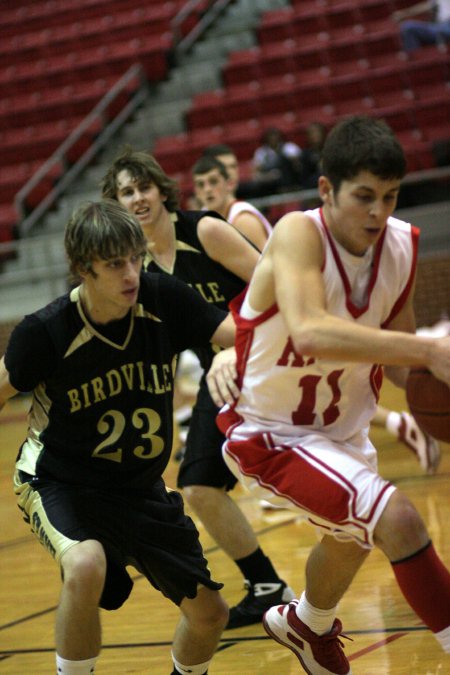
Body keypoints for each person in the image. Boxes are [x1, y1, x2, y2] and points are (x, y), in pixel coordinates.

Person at [209, 115, 450, 673]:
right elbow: (310, 330)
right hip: (272, 433)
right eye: (363, 196)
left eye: (389, 197)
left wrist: (425, 379)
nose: (378, 212)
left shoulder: (402, 248)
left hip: (342, 433)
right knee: (400, 521)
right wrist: (431, 352)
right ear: (326, 190)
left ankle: (306, 624)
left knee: (351, 541)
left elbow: (396, 362)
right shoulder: (298, 232)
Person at [0, 200, 240, 675]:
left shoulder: (161, 298)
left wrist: (232, 353)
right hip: (60, 482)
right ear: (83, 268)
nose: (131, 273)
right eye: (115, 264)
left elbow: (237, 333)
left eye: (135, 258)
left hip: (139, 488)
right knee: (86, 566)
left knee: (211, 615)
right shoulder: (46, 331)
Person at [100, 149, 294, 630]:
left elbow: (277, 283)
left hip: (268, 354)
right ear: (118, 204)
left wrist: (239, 340)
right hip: (220, 373)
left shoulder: (204, 230)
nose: (138, 197)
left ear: (161, 189)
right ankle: (269, 586)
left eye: (143, 186)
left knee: (284, 477)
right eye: (126, 192)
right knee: (198, 485)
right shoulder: (139, 271)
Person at [192, 154, 273, 252]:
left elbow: (265, 264)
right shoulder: (202, 218)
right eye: (201, 185)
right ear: (196, 192)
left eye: (213, 182)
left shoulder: (244, 219)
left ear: (229, 184)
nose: (207, 189)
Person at [252, 126, 303, 193]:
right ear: (266, 138)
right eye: (270, 136)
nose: (273, 138)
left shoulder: (289, 147)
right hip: (271, 181)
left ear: (280, 136)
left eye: (275, 135)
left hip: (291, 177)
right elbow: (255, 174)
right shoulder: (261, 152)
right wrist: (269, 176)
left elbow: (300, 165)